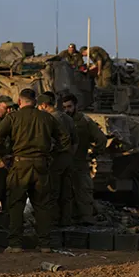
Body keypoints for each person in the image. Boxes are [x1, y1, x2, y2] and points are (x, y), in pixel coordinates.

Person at [0, 89, 64, 253]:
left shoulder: (12, 117)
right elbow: (64, 138)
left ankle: (15, 244)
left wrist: (5, 153)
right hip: (41, 165)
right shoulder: (47, 118)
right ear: (36, 102)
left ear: (19, 101)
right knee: (42, 205)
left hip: (20, 165)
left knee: (16, 204)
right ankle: (45, 244)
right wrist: (51, 154)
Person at [62, 94, 106, 225]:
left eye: (69, 106)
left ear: (76, 106)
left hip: (76, 162)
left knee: (83, 192)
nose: (66, 110)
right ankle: (72, 218)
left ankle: (85, 219)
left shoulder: (83, 121)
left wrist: (94, 153)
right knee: (68, 193)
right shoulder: (81, 120)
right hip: (66, 163)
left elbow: (101, 139)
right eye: (64, 107)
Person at [38, 92, 77, 226]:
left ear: (43, 105)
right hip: (68, 158)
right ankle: (66, 220)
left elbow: (48, 142)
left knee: (52, 191)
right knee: (66, 192)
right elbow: (75, 141)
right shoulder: (67, 118)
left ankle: (53, 221)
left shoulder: (49, 119)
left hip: (56, 158)